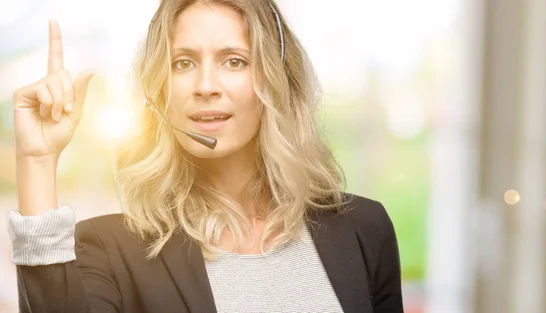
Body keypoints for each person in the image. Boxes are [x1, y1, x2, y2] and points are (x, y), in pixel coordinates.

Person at [7, 0, 404, 312]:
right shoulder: (111, 248)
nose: (205, 85)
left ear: (276, 81)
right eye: (184, 63)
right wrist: (37, 160)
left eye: (234, 61)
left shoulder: (364, 230)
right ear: (160, 91)